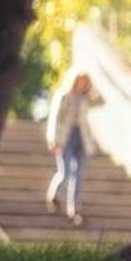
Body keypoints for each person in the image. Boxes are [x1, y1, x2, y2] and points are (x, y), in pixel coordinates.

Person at [45, 68, 103, 225]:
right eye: (80, 80)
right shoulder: (64, 96)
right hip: (65, 137)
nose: (82, 84)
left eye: (85, 81)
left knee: (78, 174)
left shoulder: (86, 98)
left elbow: (101, 101)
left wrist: (92, 89)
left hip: (81, 137)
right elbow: (55, 119)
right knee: (65, 171)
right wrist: (53, 139)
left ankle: (74, 210)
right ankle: (54, 195)